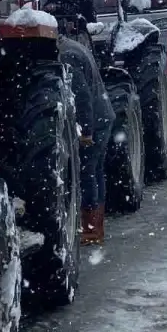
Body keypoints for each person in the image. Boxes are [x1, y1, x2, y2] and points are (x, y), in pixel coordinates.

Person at [57, 19, 113, 244]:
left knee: (86, 173)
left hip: (94, 120)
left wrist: (86, 131)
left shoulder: (66, 55)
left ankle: (90, 229)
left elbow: (81, 96)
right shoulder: (73, 47)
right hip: (103, 115)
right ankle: (96, 227)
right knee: (96, 171)